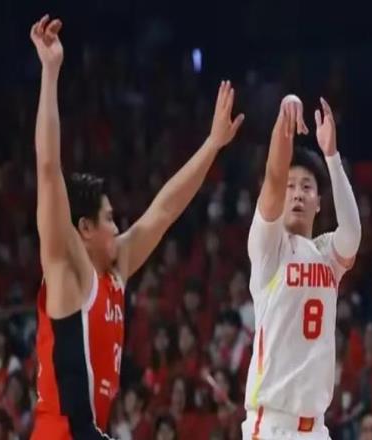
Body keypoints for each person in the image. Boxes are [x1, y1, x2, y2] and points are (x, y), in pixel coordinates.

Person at [29, 14, 244, 440]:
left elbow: (163, 210)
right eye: (109, 219)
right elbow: (49, 168)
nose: (119, 227)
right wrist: (50, 72)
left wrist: (212, 145)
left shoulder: (116, 271)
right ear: (84, 228)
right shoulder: (67, 267)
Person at [242, 94, 361, 439]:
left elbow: (352, 233)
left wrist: (332, 156)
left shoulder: (326, 253)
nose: (296, 193)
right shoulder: (269, 246)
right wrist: (285, 118)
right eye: (290, 187)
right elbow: (273, 177)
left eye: (306, 187)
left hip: (316, 428)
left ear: (318, 202)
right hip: (272, 426)